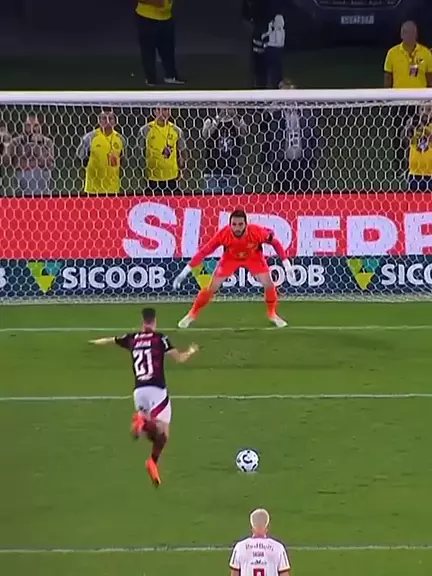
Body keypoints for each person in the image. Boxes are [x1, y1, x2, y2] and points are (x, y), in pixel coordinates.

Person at [89, 308, 198, 487]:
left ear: (142, 322)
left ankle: (144, 427)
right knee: (163, 433)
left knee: (154, 433)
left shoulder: (132, 338)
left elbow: (110, 340)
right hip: (157, 390)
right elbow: (179, 358)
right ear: (154, 321)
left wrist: (94, 342)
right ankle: (152, 458)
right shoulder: (160, 339)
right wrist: (191, 351)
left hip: (139, 391)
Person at [173, 209, 295, 328]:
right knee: (212, 287)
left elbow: (275, 243)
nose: (237, 228)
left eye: (240, 224)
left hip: (253, 258)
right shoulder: (223, 234)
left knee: (268, 284)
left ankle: (272, 314)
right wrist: (185, 272)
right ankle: (192, 314)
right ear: (230, 224)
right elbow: (204, 252)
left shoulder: (257, 232)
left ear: (246, 224)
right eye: (234, 224)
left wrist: (286, 264)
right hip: (230, 259)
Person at [260, 79, 318, 193]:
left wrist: (313, 157)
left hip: (303, 161)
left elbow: (313, 136)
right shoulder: (275, 114)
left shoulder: (305, 112)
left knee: (303, 194)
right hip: (282, 161)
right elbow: (263, 129)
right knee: (283, 194)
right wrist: (270, 111)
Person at [76, 110, 126, 195]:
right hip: (93, 189)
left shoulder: (120, 139)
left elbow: (123, 160)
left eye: (110, 118)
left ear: (115, 122)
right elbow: (80, 158)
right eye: (104, 118)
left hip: (113, 188)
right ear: (99, 121)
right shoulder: (90, 137)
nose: (107, 121)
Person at [229, 508, 291, 576]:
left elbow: (234, 574)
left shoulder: (240, 547)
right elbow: (284, 574)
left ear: (251, 526)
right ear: (268, 526)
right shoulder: (278, 547)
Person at [135, 0, 183, 86]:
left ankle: (171, 76)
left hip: (166, 17)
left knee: (168, 49)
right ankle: (151, 79)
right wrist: (154, 2)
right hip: (147, 17)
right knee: (148, 50)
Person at [140, 107, 186, 194]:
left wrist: (182, 172)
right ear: (155, 112)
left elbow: (182, 153)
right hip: (152, 179)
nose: (166, 112)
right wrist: (143, 175)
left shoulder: (176, 130)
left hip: (172, 179)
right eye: (163, 110)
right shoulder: (146, 130)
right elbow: (139, 155)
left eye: (167, 110)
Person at [202, 108, 247, 194]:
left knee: (231, 201)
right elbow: (205, 135)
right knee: (212, 200)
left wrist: (234, 117)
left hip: (232, 172)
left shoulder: (239, 118)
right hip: (212, 172)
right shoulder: (210, 118)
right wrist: (218, 118)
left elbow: (243, 133)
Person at [9, 113, 54, 197]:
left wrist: (38, 145)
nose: (32, 129)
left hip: (43, 192)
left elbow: (49, 164)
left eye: (35, 125)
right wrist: (38, 163)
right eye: (28, 125)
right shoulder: (16, 142)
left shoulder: (47, 142)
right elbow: (17, 164)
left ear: (40, 126)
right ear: (24, 126)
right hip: (22, 192)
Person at [384, 21, 432, 89]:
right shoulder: (392, 53)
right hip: (398, 95)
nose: (409, 35)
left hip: (420, 95)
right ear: (401, 35)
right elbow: (388, 78)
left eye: (412, 32)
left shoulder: (426, 52)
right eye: (406, 32)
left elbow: (430, 78)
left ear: (416, 34)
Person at [405, 104, 432, 192]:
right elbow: (405, 140)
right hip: (414, 173)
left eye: (429, 109)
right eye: (422, 109)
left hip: (430, 173)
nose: (425, 112)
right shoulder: (413, 124)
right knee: (414, 199)